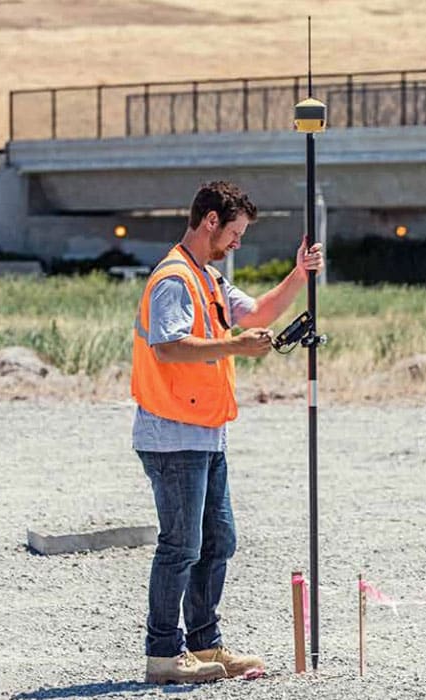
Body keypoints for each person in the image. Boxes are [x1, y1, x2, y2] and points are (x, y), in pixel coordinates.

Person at [131, 180, 324, 684]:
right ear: (211, 221)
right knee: (181, 546)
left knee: (219, 540)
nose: (237, 242)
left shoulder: (209, 280)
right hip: (173, 435)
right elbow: (168, 348)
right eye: (234, 232)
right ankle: (163, 655)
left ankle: (205, 644)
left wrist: (300, 274)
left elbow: (258, 313)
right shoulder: (174, 279)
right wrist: (236, 347)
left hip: (206, 433)